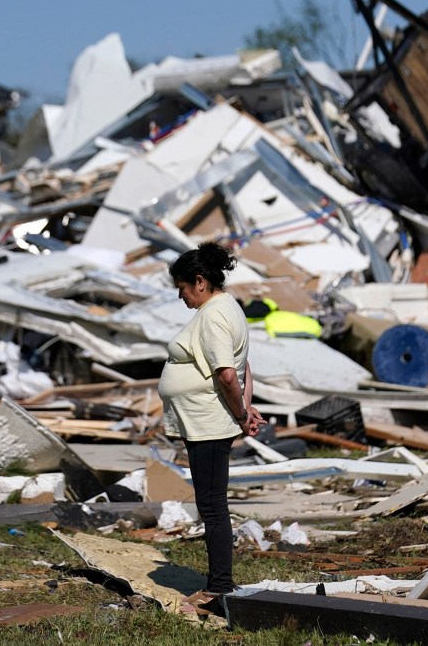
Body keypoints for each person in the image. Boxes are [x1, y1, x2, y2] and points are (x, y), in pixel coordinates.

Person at [158, 241, 266, 597]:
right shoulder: (225, 308)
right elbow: (243, 364)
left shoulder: (214, 315)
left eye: (183, 288)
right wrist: (245, 409)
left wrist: (240, 415)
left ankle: (220, 586)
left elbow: (228, 375)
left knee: (213, 506)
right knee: (212, 503)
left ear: (200, 282)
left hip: (208, 423)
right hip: (205, 421)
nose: (182, 297)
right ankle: (218, 582)